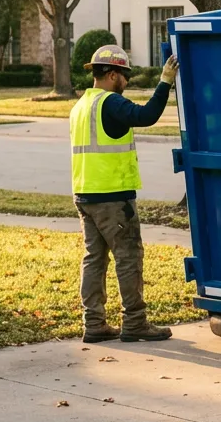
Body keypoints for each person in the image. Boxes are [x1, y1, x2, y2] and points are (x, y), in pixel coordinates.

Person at [69, 45, 179, 343]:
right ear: (113, 74)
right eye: (125, 76)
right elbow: (146, 116)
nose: (126, 82)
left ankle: (94, 324)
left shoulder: (81, 105)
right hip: (112, 198)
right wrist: (165, 81)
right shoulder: (110, 103)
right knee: (128, 256)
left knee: (94, 259)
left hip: (85, 194)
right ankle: (135, 321)